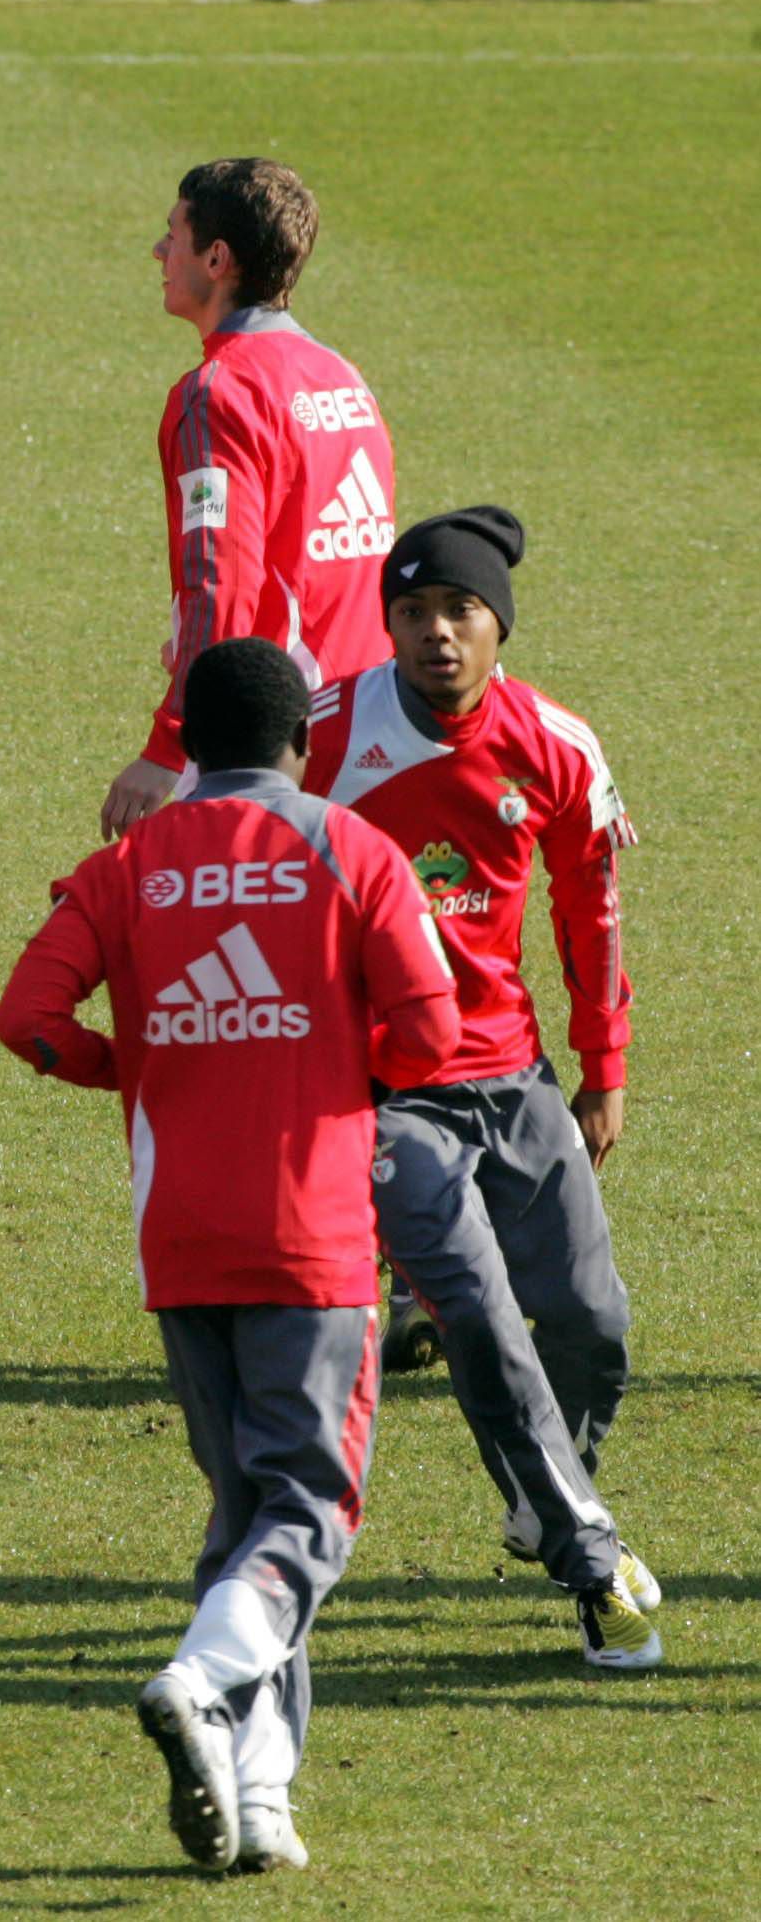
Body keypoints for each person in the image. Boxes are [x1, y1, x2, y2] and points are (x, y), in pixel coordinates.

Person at [0, 638, 459, 1875]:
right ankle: (201, 1684)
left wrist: (133, 1067)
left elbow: (26, 1020)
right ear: (302, 742)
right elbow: (429, 1033)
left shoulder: (126, 864)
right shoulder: (353, 851)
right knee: (310, 1506)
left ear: (190, 745)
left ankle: (259, 1797)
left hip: (180, 1236)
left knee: (245, 1517)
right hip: (313, 1236)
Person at [303, 506, 660, 1668]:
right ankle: (586, 1556)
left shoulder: (556, 743)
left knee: (592, 1323)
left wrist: (601, 1069)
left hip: (512, 1071)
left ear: (497, 624)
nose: (436, 633)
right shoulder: (328, 730)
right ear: (387, 624)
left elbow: (589, 912)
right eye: (412, 612)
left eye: (460, 610)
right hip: (382, 1089)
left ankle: (543, 1491)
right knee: (485, 1325)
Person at [100, 158, 395, 845]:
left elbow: (219, 582)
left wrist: (170, 745)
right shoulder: (340, 376)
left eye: (171, 234)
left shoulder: (217, 393)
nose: (158, 251)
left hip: (268, 737)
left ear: (216, 256)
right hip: (369, 718)